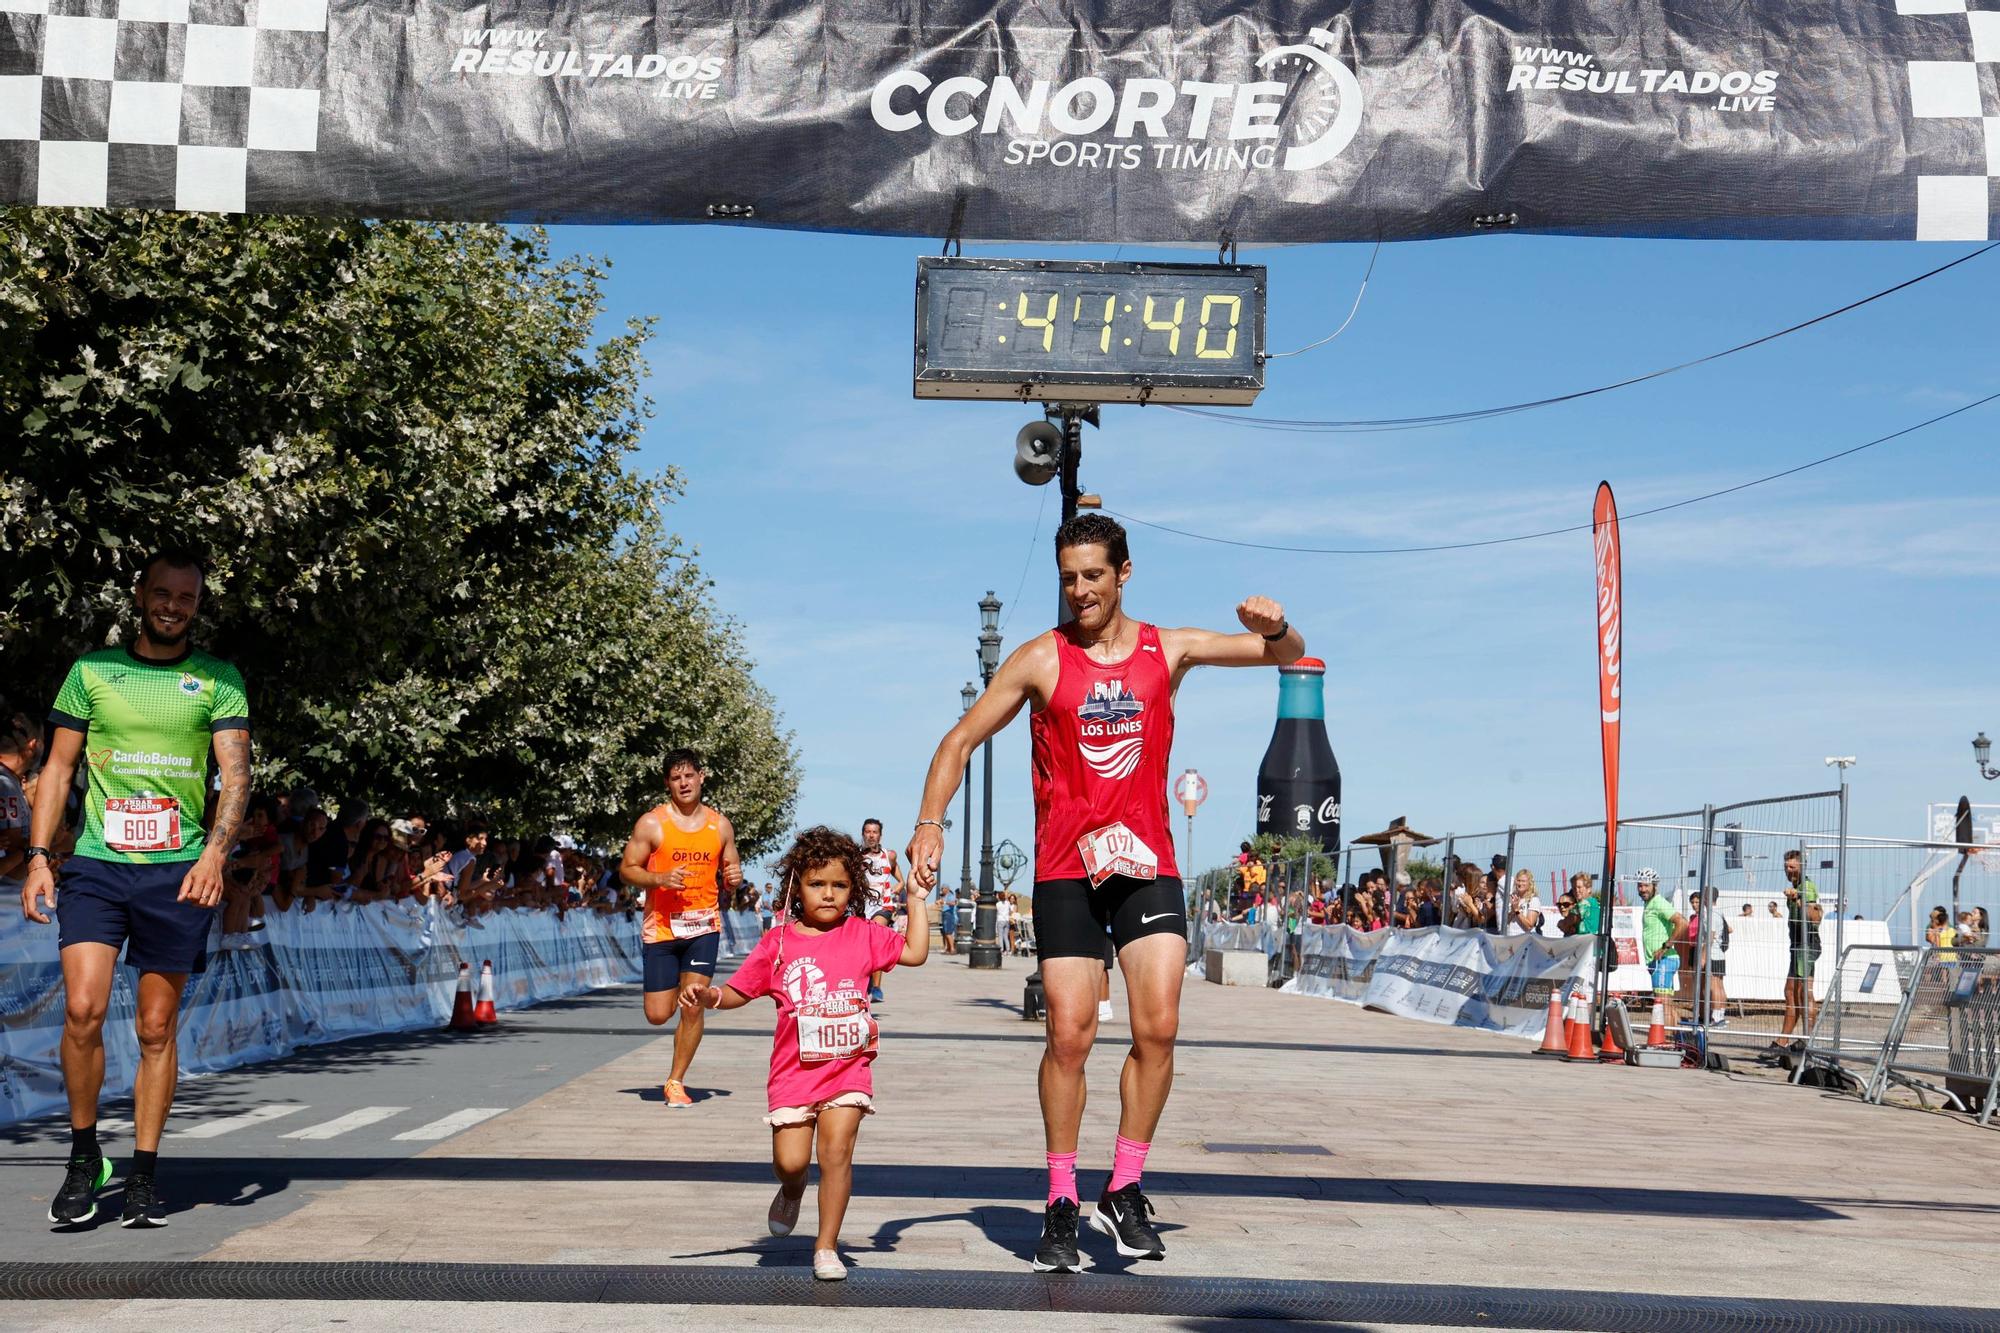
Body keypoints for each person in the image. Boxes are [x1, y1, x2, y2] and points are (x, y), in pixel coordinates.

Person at [906, 513, 1304, 1273]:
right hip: (1065, 869)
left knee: (1158, 1027)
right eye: (1069, 577)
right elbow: (957, 741)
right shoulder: (1040, 659)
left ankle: (1123, 1187)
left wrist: (1278, 623)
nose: (1080, 589)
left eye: (1093, 574)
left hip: (1147, 861)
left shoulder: (1170, 649)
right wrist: (931, 822)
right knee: (1070, 1035)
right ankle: (1060, 1198)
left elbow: (1283, 655)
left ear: (1124, 573)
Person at [20, 548, 252, 1227]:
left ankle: (145, 1170)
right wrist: (40, 855)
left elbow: (234, 777)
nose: (173, 606)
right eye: (163, 593)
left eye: (187, 596)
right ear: (140, 594)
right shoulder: (93, 671)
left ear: (198, 604)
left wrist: (214, 853)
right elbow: (59, 770)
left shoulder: (218, 679)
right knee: (84, 1011)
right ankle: (85, 1153)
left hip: (176, 871)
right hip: (95, 862)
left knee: (156, 1026)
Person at [684, 825, 928, 1281]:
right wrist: (712, 997)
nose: (829, 894)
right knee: (791, 1161)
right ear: (797, 887)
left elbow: (915, 952)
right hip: (794, 1075)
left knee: (837, 1152)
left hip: (847, 1069)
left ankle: (826, 1246)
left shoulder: (862, 935)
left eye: (840, 885)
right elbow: (742, 989)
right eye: (818, 884)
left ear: (853, 888)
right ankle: (792, 1190)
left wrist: (914, 897)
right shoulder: (778, 942)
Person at [620, 748, 743, 1108]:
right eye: (676, 778)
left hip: (704, 927)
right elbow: (628, 869)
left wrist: (733, 878)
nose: (684, 783)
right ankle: (673, 986)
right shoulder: (652, 824)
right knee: (659, 1015)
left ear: (702, 777)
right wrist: (658, 878)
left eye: (689, 776)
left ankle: (675, 1081)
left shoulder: (720, 825)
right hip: (662, 929)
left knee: (693, 1005)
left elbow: (731, 871)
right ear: (668, 783)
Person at [1766, 850, 1821, 1060]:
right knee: (1791, 992)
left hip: (1807, 944)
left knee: (1802, 992)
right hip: (1797, 944)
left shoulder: (1806, 887)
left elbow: (1815, 916)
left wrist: (1799, 898)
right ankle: (1785, 1040)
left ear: (1802, 867)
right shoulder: (1797, 886)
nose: (1788, 871)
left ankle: (1807, 1039)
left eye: (1792, 867)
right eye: (1786, 867)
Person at [1636, 868, 1686, 1032]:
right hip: (1658, 961)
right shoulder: (1649, 904)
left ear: (1655, 886)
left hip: (1664, 960)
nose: (1642, 889)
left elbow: (1682, 922)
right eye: (1640, 886)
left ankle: (1669, 1042)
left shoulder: (1658, 902)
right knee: (1667, 1004)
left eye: (1646, 886)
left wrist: (1666, 946)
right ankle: (1680, 1039)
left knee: (1662, 1004)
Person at [859, 819, 901, 1004]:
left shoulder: (889, 855)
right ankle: (866, 983)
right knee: (863, 948)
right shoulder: (857, 857)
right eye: (867, 832)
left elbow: (900, 880)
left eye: (874, 832)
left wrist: (893, 890)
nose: (871, 835)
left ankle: (876, 988)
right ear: (863, 835)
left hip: (883, 906)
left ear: (880, 835)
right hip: (862, 908)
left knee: (875, 941)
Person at [1505, 869, 1543, 936]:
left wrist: (1517, 910)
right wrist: (1512, 911)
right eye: (1518, 880)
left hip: (1525, 939)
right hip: (1510, 937)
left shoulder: (1533, 900)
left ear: (1530, 883)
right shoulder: (1513, 898)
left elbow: (1529, 926)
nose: (1520, 884)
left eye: (1523, 881)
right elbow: (1506, 922)